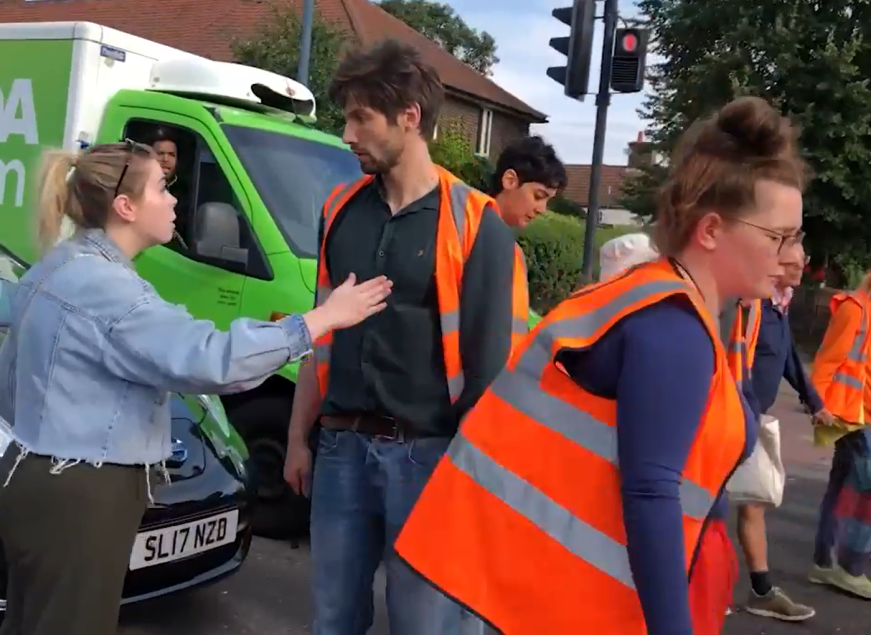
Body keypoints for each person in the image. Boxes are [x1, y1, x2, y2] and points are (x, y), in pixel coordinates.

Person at [395, 95, 809, 634]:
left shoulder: (651, 297)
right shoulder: (675, 329)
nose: (792, 256)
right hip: (591, 609)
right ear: (710, 231)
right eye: (779, 237)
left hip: (549, 596)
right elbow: (651, 496)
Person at [0, 141, 392, 635]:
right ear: (126, 207)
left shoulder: (57, 267)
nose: (176, 201)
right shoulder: (108, 289)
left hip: (29, 472)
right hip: (82, 491)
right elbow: (210, 358)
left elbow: (9, 378)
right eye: (163, 187)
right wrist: (321, 319)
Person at [282, 40, 528, 635]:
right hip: (340, 451)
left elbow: (492, 369)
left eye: (361, 118)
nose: (347, 134)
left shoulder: (477, 222)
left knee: (429, 625)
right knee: (333, 619)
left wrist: (475, 480)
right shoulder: (340, 208)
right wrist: (297, 438)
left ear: (410, 117)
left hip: (430, 458)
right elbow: (323, 335)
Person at [728, 243, 832, 620]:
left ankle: (761, 589)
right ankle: (698, 587)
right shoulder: (748, 305)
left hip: (751, 417)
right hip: (731, 417)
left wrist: (813, 401)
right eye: (795, 262)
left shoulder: (777, 304)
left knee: (752, 501)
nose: (803, 268)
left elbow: (786, 356)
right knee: (711, 504)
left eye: (803, 261)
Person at [809, 269, 871, 598]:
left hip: (857, 415)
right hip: (852, 416)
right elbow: (828, 358)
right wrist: (817, 404)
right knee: (863, 492)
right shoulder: (855, 308)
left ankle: (826, 564)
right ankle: (849, 568)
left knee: (843, 486)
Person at [488, 135, 567, 228]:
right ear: (510, 180)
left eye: (548, 201)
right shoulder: (470, 224)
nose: (542, 210)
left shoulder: (501, 238)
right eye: (538, 196)